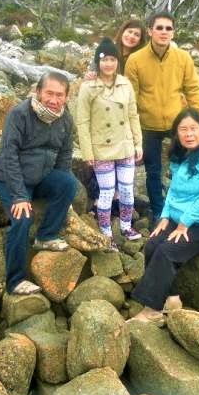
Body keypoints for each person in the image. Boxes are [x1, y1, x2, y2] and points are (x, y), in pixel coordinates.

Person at [130, 108, 199, 325]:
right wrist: (166, 216)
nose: (189, 134)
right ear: (177, 133)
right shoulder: (180, 153)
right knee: (152, 245)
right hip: (181, 216)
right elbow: (174, 190)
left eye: (193, 129)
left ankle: (152, 311)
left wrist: (184, 223)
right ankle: (171, 299)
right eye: (183, 129)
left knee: (167, 252)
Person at [0, 72, 78, 296]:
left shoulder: (65, 118)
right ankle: (15, 281)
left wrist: (62, 193)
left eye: (59, 95)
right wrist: (20, 196)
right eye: (49, 93)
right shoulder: (19, 114)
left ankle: (46, 236)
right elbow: (9, 156)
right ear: (38, 92)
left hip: (41, 176)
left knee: (68, 184)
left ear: (66, 97)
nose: (54, 99)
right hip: (10, 177)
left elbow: (65, 155)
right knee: (22, 218)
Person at [125, 11, 199, 226]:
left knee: (186, 165)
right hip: (148, 125)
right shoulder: (135, 60)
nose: (164, 32)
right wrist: (132, 132)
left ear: (173, 32)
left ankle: (192, 207)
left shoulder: (183, 58)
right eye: (159, 28)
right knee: (153, 172)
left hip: (176, 123)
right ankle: (160, 214)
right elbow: (130, 98)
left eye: (168, 28)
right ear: (150, 31)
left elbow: (193, 90)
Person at [76, 37, 143, 249]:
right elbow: (82, 121)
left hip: (125, 147)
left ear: (117, 62)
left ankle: (125, 226)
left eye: (113, 59)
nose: (108, 64)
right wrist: (88, 152)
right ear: (98, 62)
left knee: (126, 189)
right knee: (106, 192)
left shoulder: (126, 84)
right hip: (101, 148)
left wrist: (138, 144)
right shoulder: (88, 87)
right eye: (104, 59)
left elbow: (133, 115)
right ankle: (106, 233)